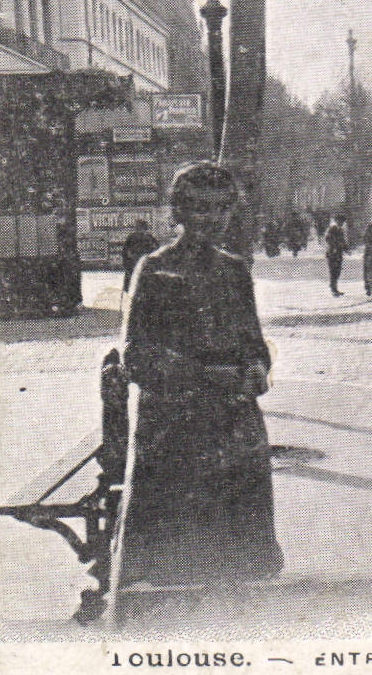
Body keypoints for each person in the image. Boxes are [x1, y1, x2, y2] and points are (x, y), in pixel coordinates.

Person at [117, 162, 283, 588]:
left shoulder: (235, 270)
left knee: (242, 561)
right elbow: (135, 354)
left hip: (233, 422)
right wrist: (202, 375)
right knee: (178, 564)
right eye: (202, 208)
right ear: (179, 213)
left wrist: (257, 368)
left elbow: (255, 343)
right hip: (176, 426)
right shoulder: (154, 269)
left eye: (223, 208)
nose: (214, 219)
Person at [120, 218, 160, 294]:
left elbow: (124, 252)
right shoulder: (150, 237)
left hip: (133, 264)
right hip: (145, 265)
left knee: (128, 285)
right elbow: (157, 251)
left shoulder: (131, 237)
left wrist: (126, 264)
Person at [323, 214, 349, 296]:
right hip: (332, 253)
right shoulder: (332, 228)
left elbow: (343, 241)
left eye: (342, 222)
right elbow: (327, 239)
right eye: (340, 221)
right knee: (333, 271)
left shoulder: (340, 230)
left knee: (337, 271)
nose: (341, 223)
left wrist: (346, 249)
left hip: (338, 253)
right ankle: (333, 289)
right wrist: (334, 246)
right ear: (336, 221)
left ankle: (334, 287)